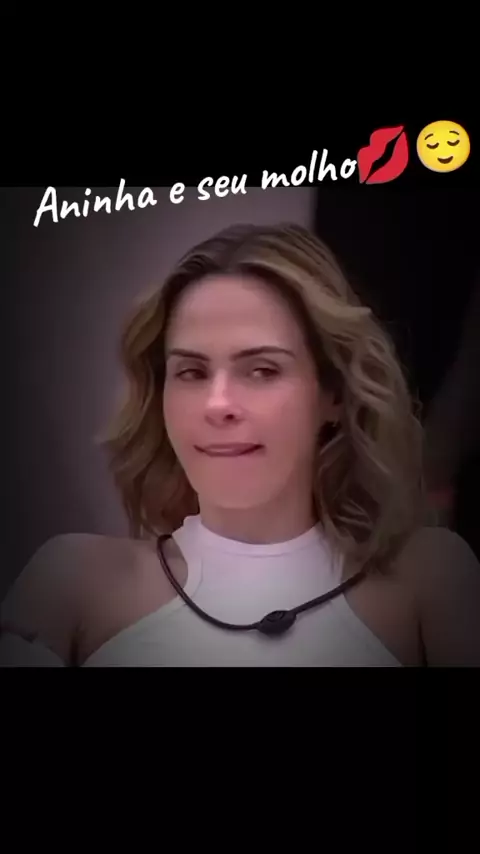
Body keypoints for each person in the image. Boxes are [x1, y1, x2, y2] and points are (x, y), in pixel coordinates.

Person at [2, 222, 480, 667]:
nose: (218, 404)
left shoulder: (428, 580)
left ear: (333, 394)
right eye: (191, 371)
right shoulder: (72, 583)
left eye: (262, 370)